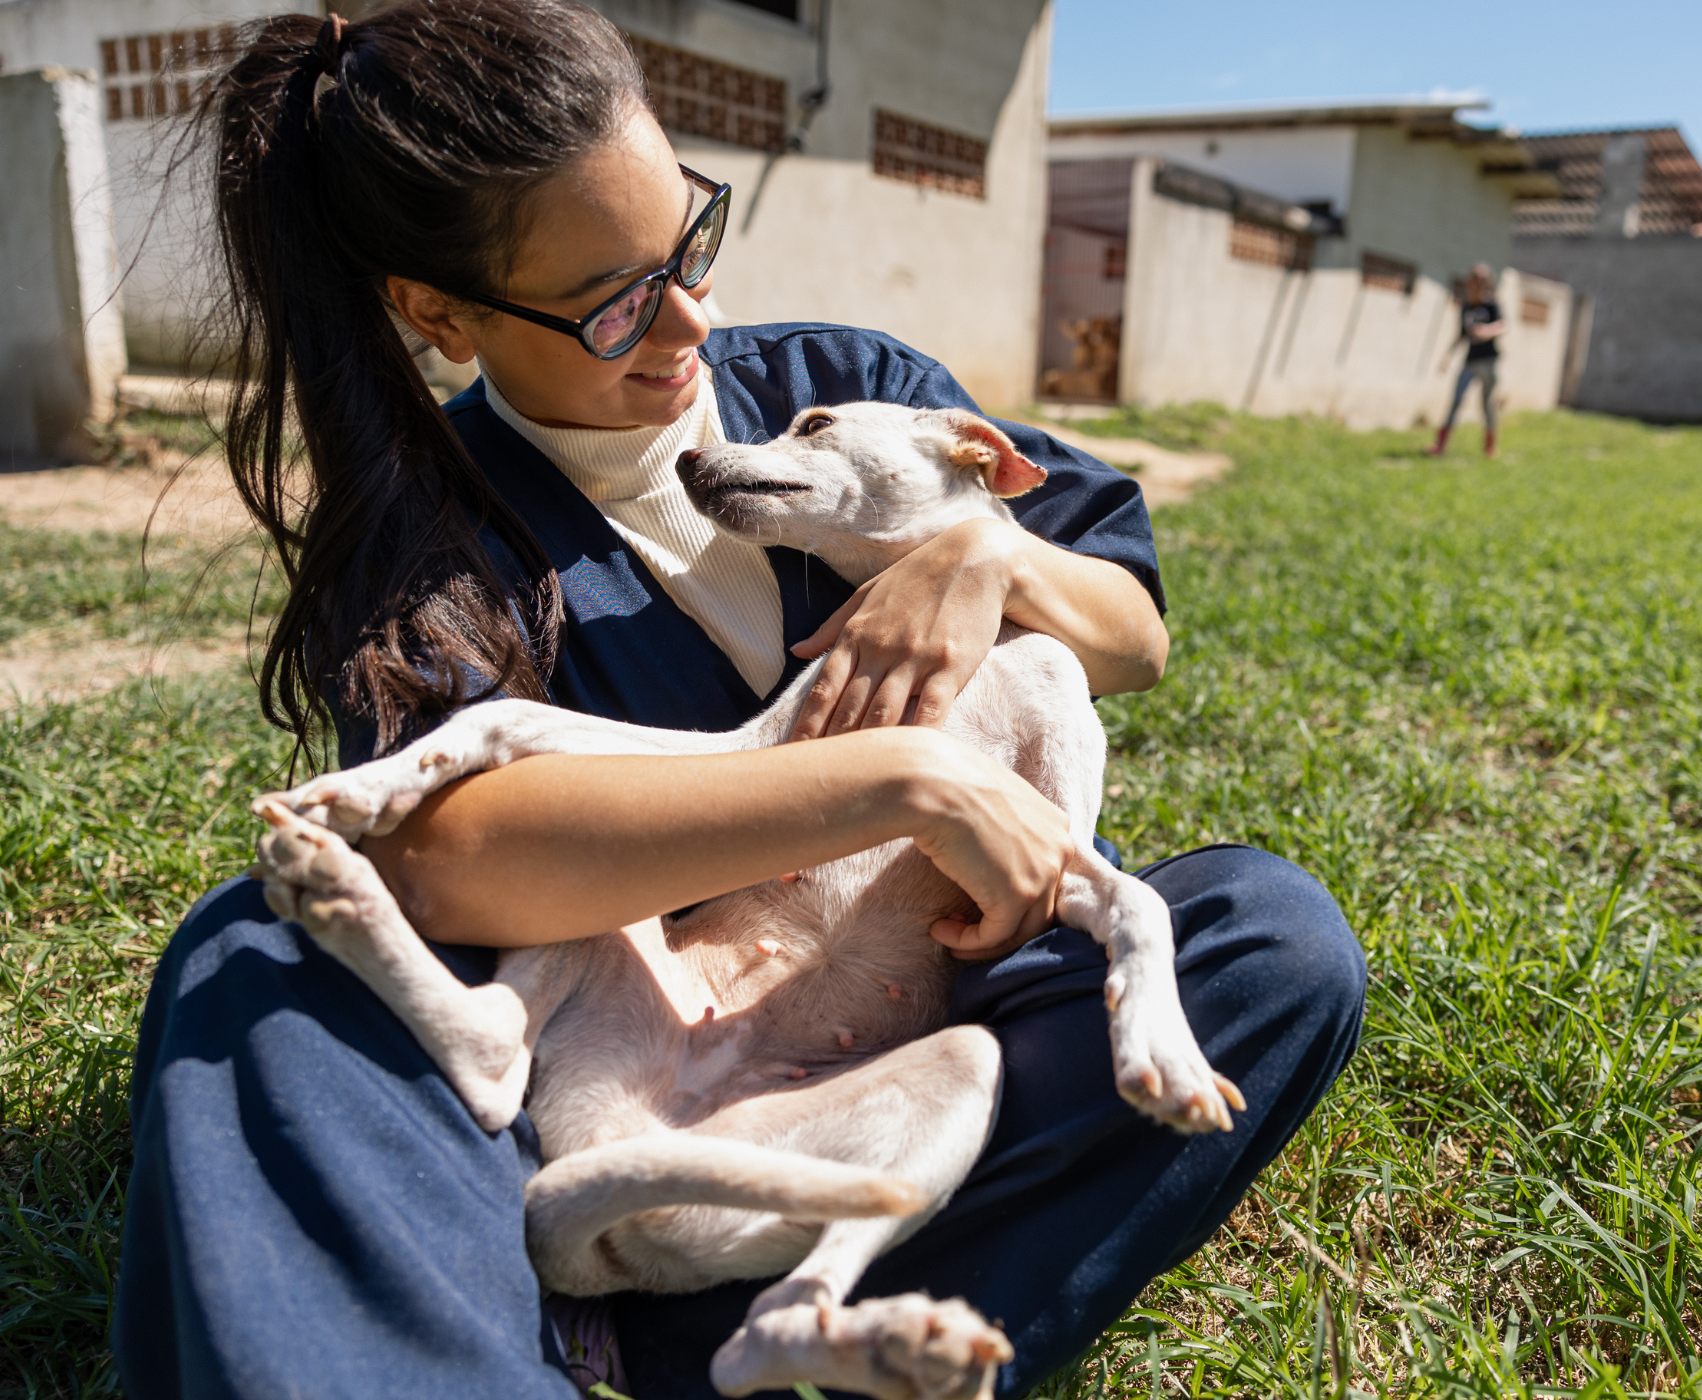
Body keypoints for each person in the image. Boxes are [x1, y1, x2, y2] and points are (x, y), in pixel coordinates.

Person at [110, 3, 1368, 1396]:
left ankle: (727, 1354)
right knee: (257, 960)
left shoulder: (844, 388)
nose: (691, 321)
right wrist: (904, 780)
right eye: (612, 301)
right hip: (620, 1072)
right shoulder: (429, 526)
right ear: (437, 311)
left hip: (913, 1025)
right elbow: (451, 855)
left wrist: (984, 551)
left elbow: (1132, 631)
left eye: (689, 246)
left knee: (1267, 942)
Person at [1427, 262, 1506, 459]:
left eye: (1481, 280)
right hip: (1470, 362)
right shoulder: (1467, 306)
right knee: (1455, 401)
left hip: (1488, 362)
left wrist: (1487, 331)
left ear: (1487, 283)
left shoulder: (1492, 304)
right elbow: (1461, 335)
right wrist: (1447, 357)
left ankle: (1490, 447)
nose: (1476, 283)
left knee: (1486, 405)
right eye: (1474, 279)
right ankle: (1440, 445)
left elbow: (1503, 325)